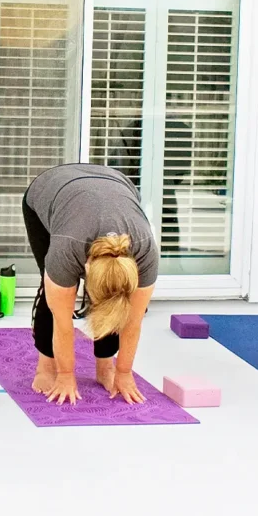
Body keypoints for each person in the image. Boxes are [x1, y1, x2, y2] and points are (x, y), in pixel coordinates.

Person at [22, 163, 158, 406]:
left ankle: (104, 365)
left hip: (115, 186)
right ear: (85, 268)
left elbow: (133, 322)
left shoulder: (145, 251)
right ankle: (46, 363)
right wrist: (66, 375)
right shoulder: (68, 248)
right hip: (52, 188)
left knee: (116, 306)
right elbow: (62, 322)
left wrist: (124, 372)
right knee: (51, 292)